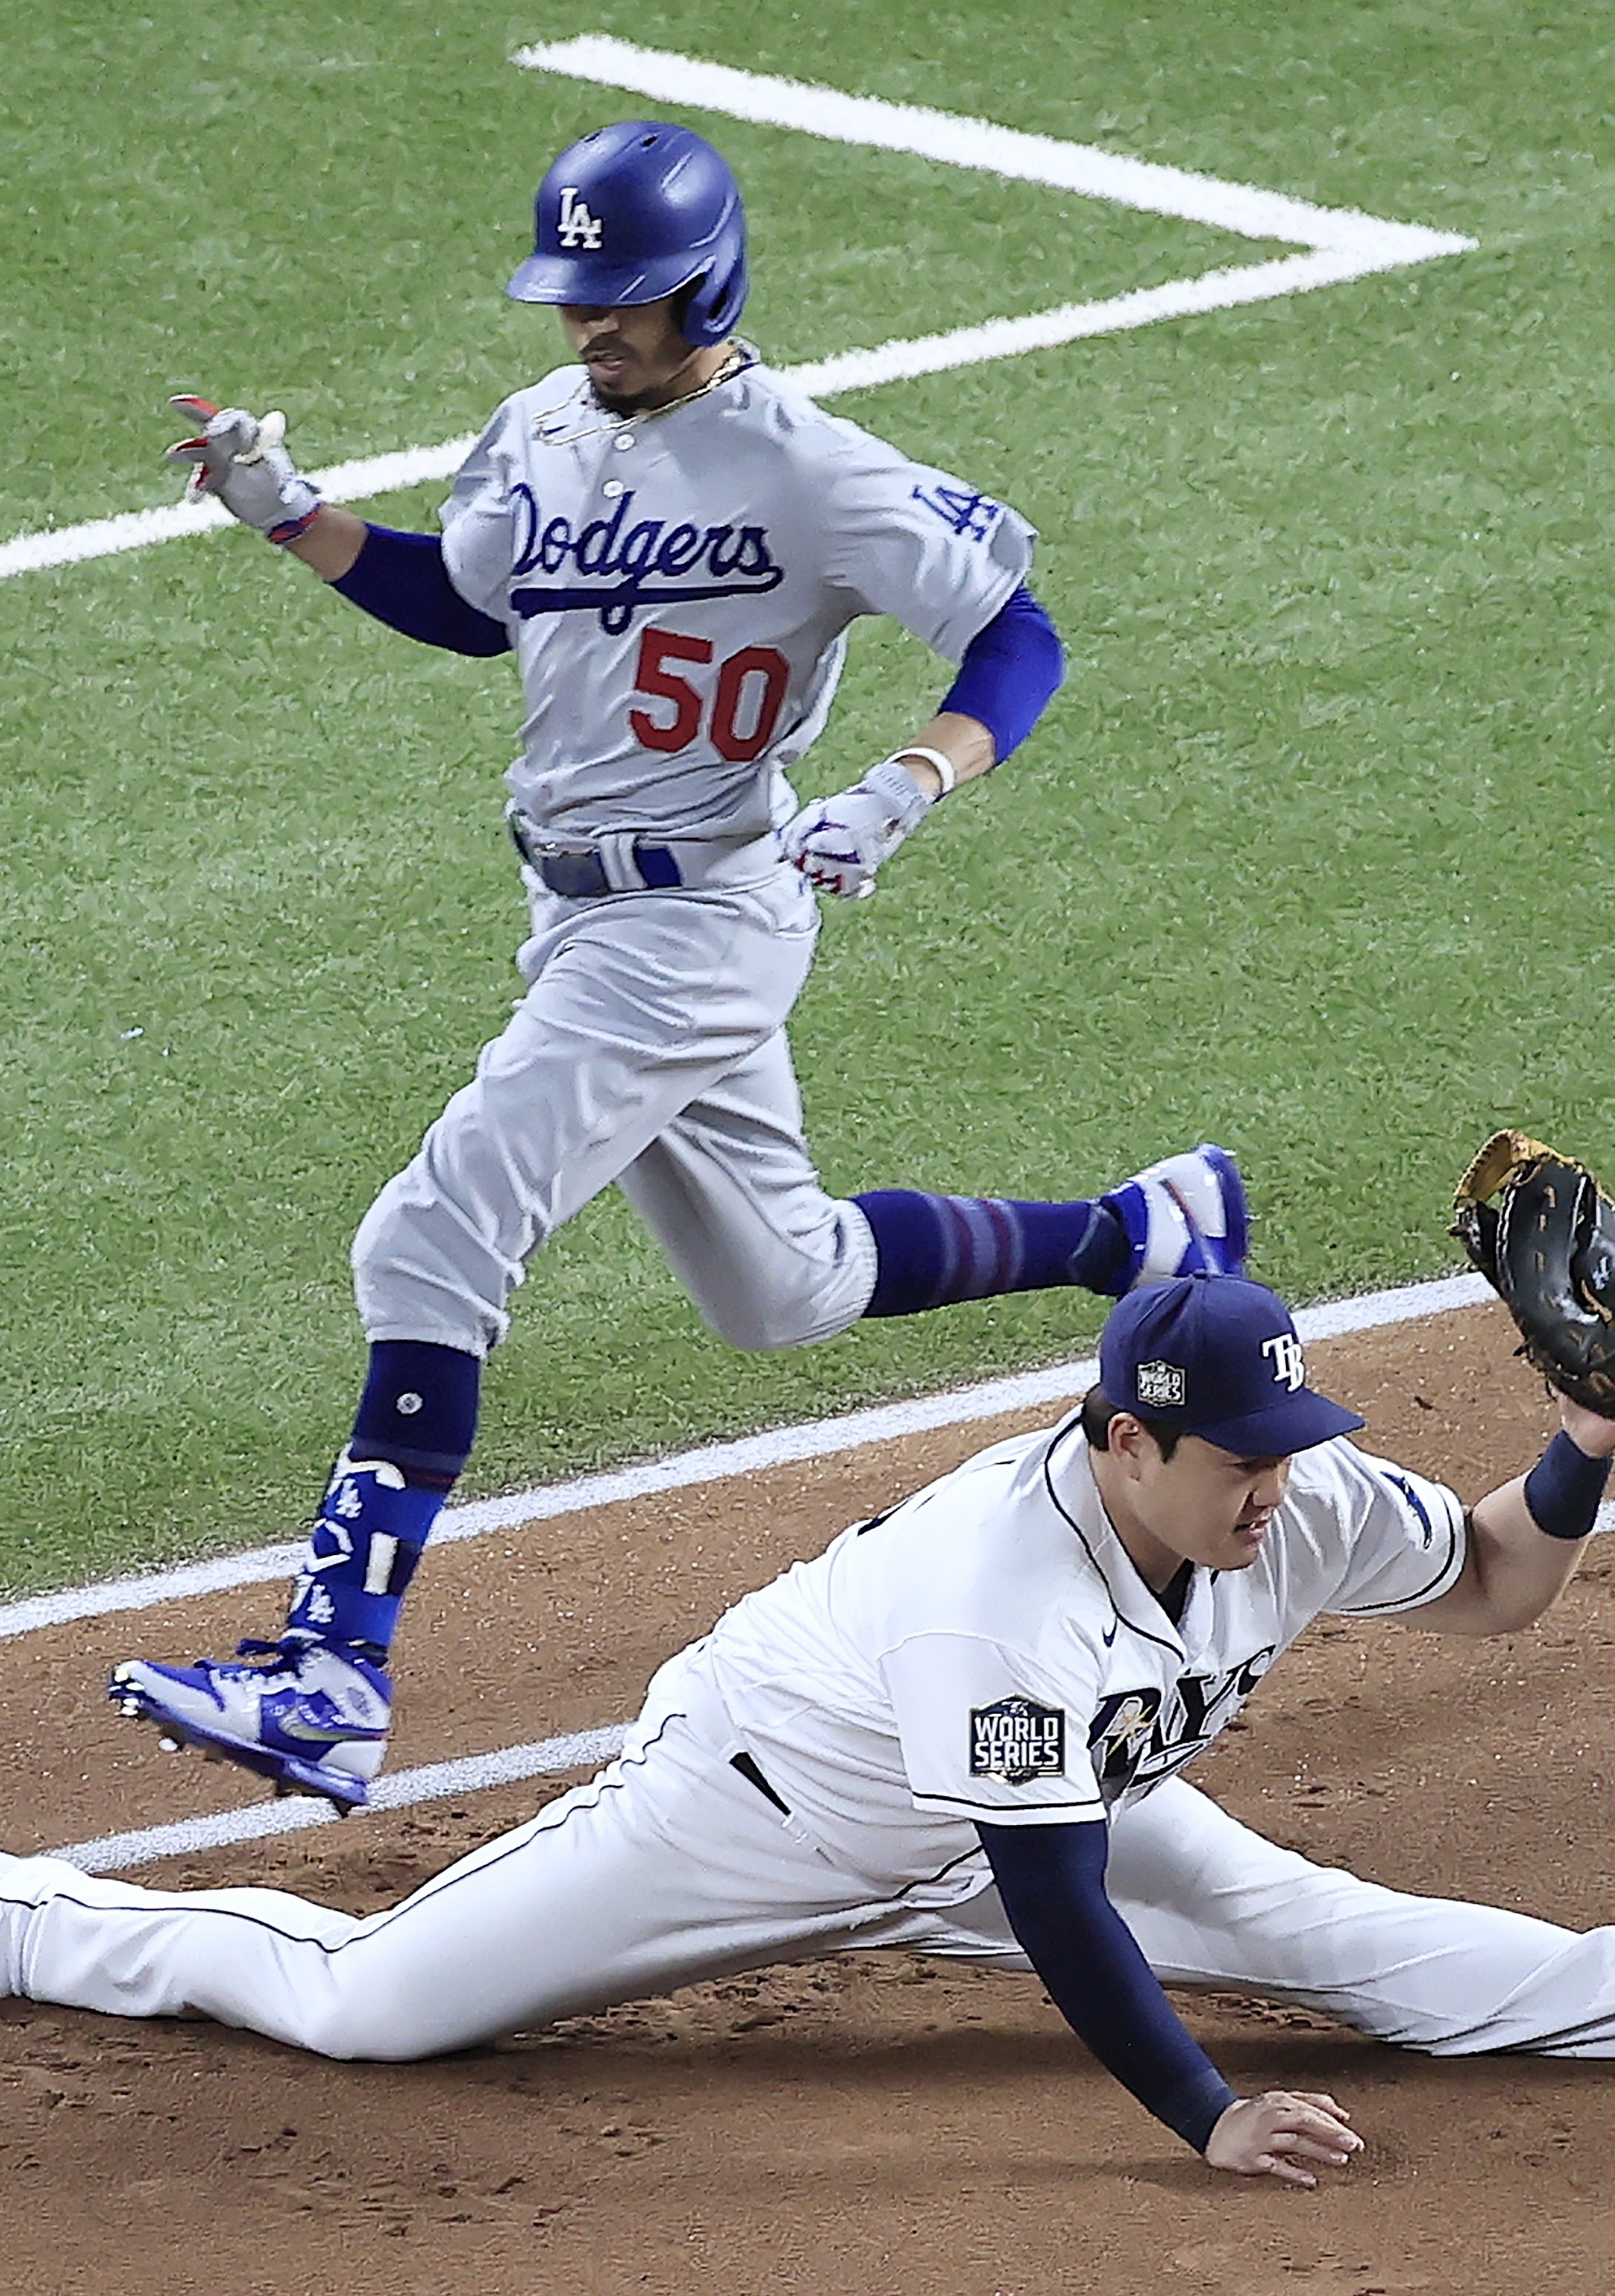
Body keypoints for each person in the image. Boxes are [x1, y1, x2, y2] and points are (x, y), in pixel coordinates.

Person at [110, 118, 1252, 1805]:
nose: (592, 328)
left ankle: (330, 1670)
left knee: (429, 1237)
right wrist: (292, 517)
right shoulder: (536, 434)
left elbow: (1020, 632)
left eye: (624, 301)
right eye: (575, 298)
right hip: (579, 914)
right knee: (779, 1288)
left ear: (705, 280)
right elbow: (475, 606)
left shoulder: (812, 470)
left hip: (698, 919)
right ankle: (1134, 1234)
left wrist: (907, 778)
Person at [0, 1271, 1615, 2180]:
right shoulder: (1004, 1595)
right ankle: (24, 1925)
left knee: (1309, 1926)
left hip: (1033, 1802)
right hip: (757, 1811)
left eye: (1293, 1449)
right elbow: (1055, 1908)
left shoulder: (1280, 1506)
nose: (1281, 1489)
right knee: (376, 2007)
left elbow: (1486, 1581)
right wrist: (1204, 2116)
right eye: (1242, 1455)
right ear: (1123, 1438)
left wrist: (1584, 1442)